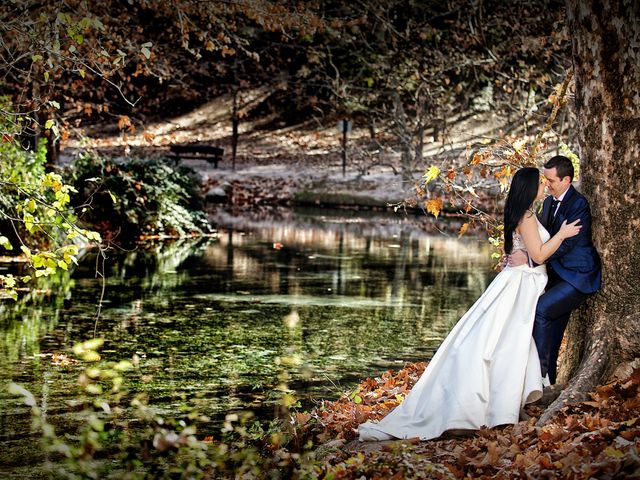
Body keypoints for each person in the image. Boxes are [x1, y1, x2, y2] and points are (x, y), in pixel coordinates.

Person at [358, 167, 582, 442]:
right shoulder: (525, 215)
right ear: (529, 187)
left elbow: (526, 252)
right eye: (540, 182)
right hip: (520, 286)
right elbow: (539, 253)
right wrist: (562, 234)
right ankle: (492, 409)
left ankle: (505, 406)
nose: (544, 186)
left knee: (509, 345)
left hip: (525, 281)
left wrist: (523, 254)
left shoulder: (528, 212)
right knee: (503, 344)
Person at [509, 155, 601, 385]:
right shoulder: (548, 203)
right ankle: (548, 380)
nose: (547, 184)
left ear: (566, 180)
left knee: (541, 310)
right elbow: (539, 239)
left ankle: (537, 377)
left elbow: (565, 245)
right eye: (545, 180)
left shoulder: (578, 204)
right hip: (555, 276)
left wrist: (530, 259)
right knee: (552, 326)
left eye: (551, 180)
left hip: (577, 277)